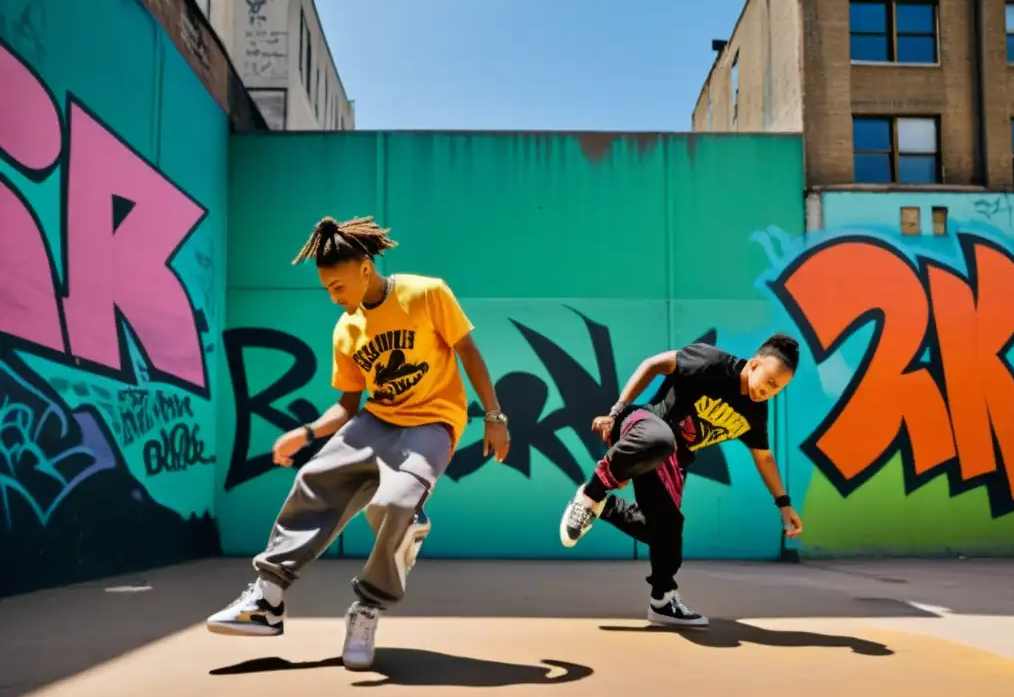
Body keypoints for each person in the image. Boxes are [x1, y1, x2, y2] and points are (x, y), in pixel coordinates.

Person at [207, 216, 510, 671]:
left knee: (396, 503)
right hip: (377, 420)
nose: (333, 296)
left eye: (336, 285)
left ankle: (367, 608)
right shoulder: (346, 329)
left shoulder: (426, 293)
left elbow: (469, 353)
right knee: (314, 477)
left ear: (364, 267)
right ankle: (267, 600)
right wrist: (307, 433)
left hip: (432, 422)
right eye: (326, 289)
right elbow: (347, 405)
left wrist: (494, 415)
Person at [558, 335, 802, 628]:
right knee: (662, 440)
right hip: (644, 426)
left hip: (673, 460)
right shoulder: (712, 362)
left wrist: (784, 504)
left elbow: (763, 458)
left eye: (778, 389)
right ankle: (592, 494)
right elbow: (654, 364)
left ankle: (661, 600)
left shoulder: (754, 413)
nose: (769, 392)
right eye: (770, 381)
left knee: (667, 529)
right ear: (754, 365)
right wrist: (616, 411)